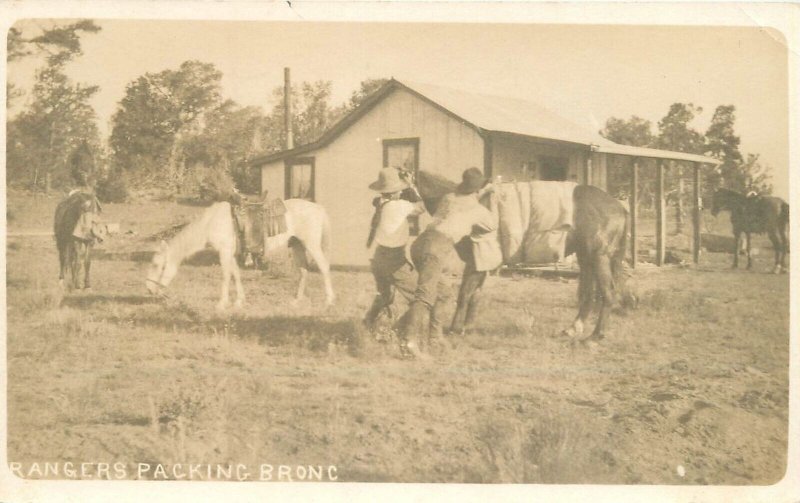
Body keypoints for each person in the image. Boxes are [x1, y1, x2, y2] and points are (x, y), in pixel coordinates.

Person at [401, 167, 497, 358]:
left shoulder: (448, 198)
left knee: (444, 292)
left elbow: (455, 206)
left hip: (420, 244)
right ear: (478, 191)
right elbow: (491, 225)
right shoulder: (479, 210)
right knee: (425, 296)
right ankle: (408, 343)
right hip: (436, 248)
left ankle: (434, 338)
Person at [363, 167, 427, 334]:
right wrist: (411, 184)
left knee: (385, 296)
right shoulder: (399, 206)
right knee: (421, 298)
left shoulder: (381, 204)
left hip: (379, 258)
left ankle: (367, 324)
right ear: (395, 192)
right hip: (394, 261)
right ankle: (401, 330)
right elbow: (421, 207)